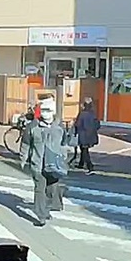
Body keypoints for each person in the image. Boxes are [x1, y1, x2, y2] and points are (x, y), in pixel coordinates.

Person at [19, 97, 69, 226]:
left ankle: (46, 211)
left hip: (54, 165)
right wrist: (23, 159)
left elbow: (64, 143)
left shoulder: (59, 126)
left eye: (48, 110)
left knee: (51, 190)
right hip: (38, 164)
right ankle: (41, 215)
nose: (45, 113)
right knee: (39, 189)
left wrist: (64, 158)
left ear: (53, 112)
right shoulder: (33, 127)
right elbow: (25, 143)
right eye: (43, 110)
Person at [72, 97, 101, 174]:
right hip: (91, 135)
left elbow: (77, 124)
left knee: (84, 151)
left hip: (83, 135)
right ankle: (81, 164)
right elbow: (98, 125)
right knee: (84, 149)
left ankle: (90, 166)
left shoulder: (82, 114)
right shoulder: (93, 114)